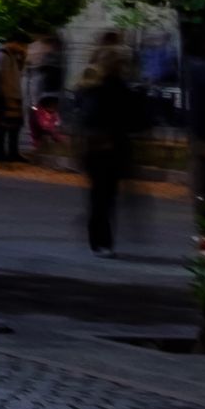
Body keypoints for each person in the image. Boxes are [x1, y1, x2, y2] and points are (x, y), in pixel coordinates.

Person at [76, 29, 144, 253]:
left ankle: (100, 238)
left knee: (102, 194)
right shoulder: (107, 87)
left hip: (100, 148)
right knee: (105, 195)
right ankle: (101, 239)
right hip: (106, 147)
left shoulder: (93, 86)